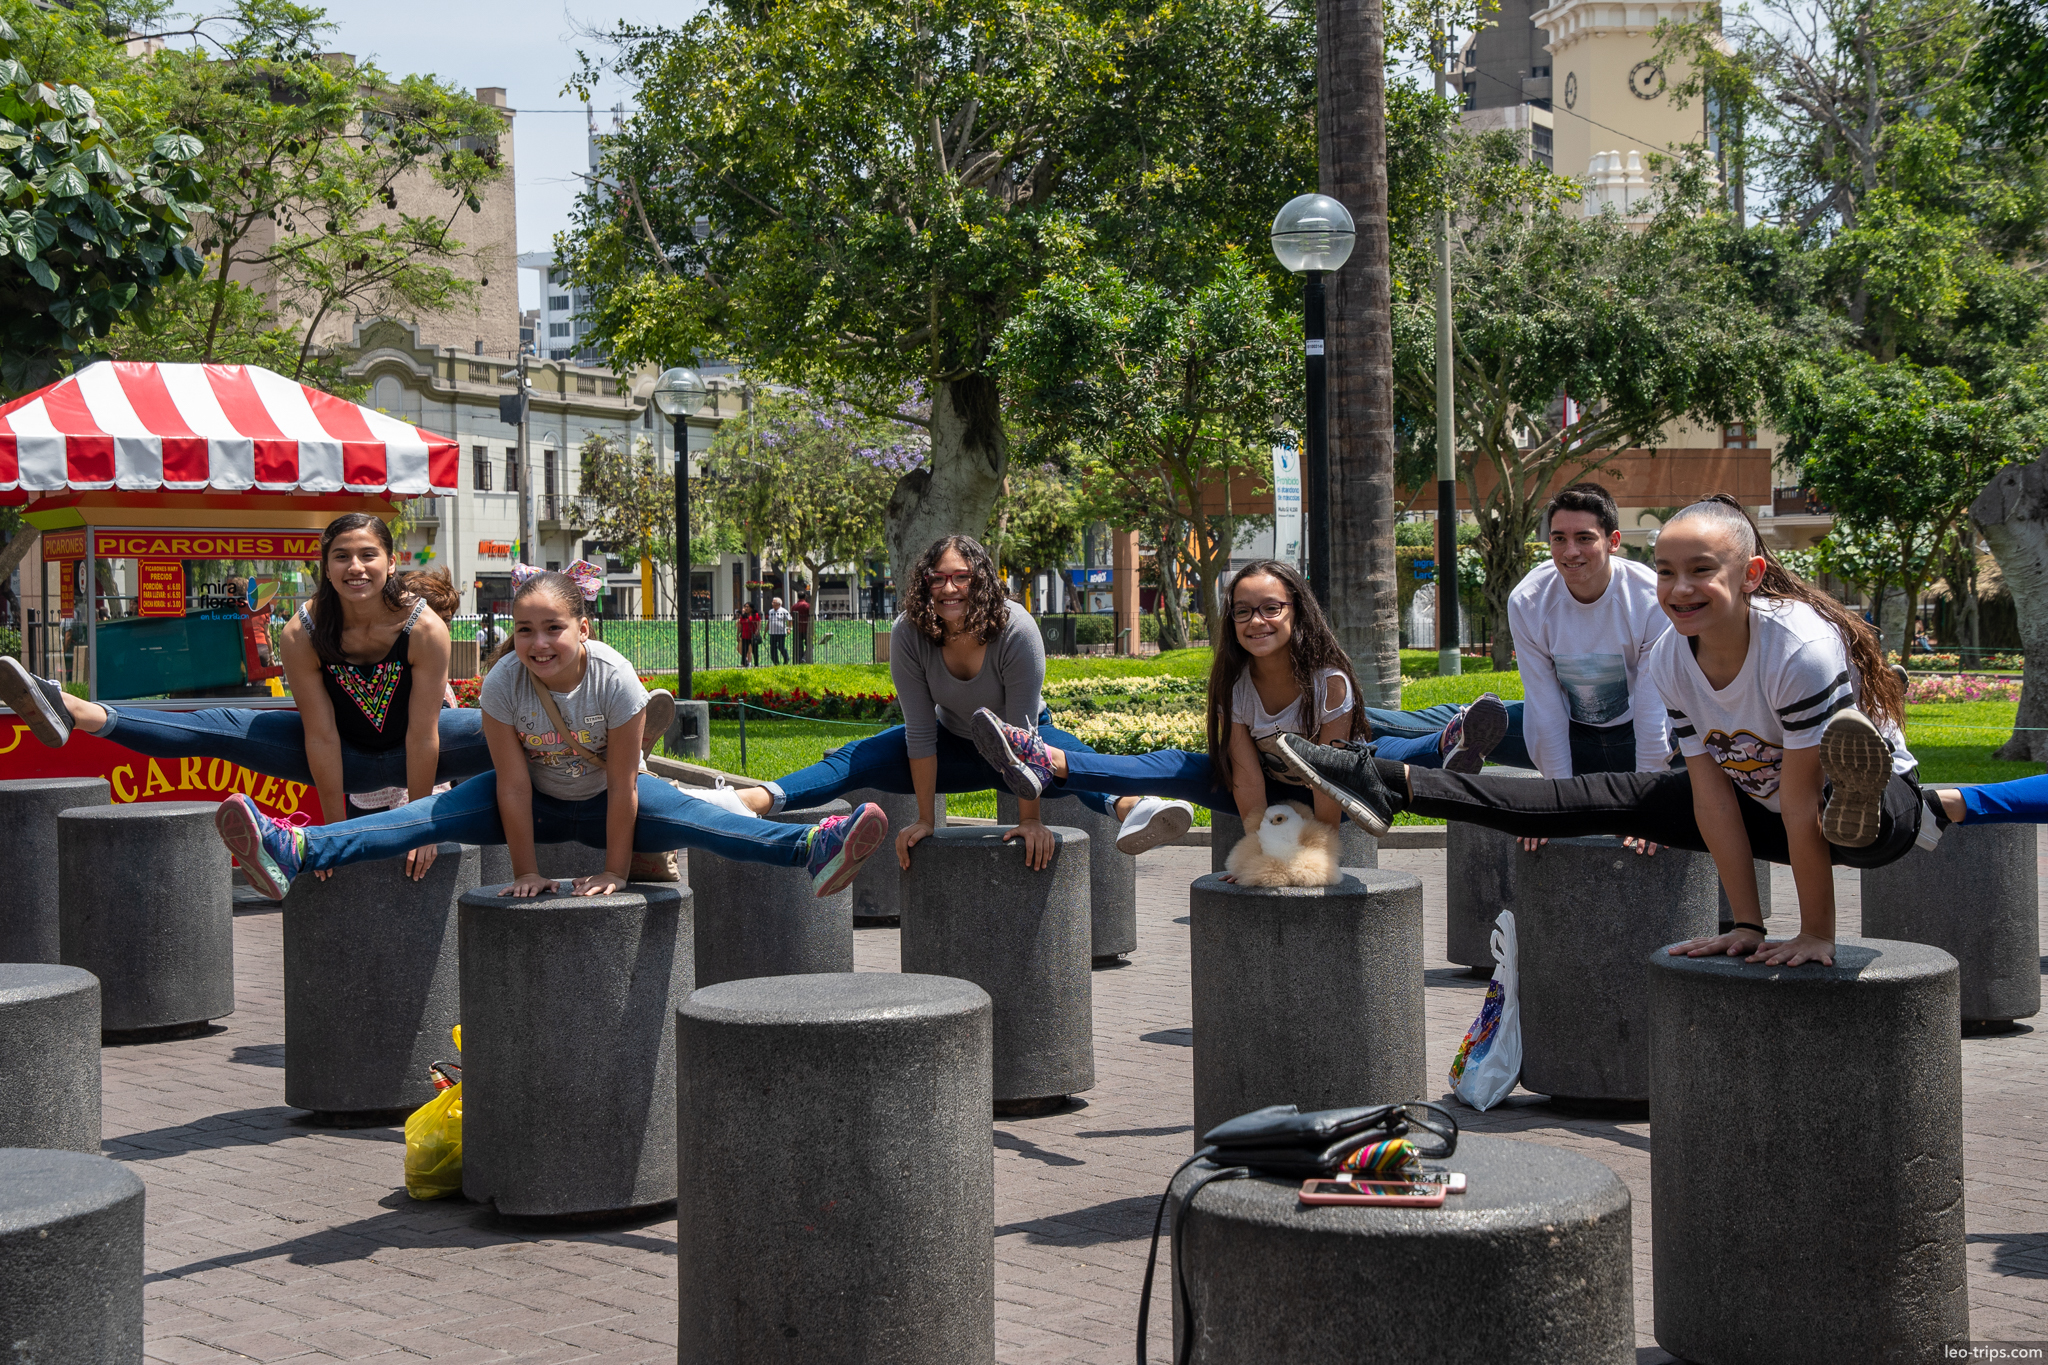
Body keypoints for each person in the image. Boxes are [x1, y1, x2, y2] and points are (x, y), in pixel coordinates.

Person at [1266, 495, 1923, 968]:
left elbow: (1799, 801)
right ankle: (1382, 778)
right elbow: (1713, 798)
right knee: (1582, 798)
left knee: (1841, 815)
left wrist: (1815, 933)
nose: (1679, 588)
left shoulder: (1799, 646)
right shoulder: (1672, 654)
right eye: (1666, 571)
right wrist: (1747, 923)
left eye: (1702, 571)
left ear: (1750, 576)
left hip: (1874, 810)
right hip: (1759, 800)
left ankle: (1857, 808)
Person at [0, 521, 673, 881]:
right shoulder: (302, 630)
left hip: (423, 745)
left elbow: (421, 736)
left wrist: (420, 822)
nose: (355, 567)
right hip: (338, 757)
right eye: (341, 556)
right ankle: (76, 708)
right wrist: (327, 837)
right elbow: (319, 737)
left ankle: (622, 737)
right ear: (324, 564)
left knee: (513, 728)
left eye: (367, 555)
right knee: (225, 725)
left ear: (389, 561)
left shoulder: (424, 626)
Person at [213, 566, 888, 902]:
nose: (538, 642)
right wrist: (528, 870)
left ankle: (812, 845)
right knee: (421, 817)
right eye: (526, 629)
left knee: (709, 820)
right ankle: (294, 847)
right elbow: (509, 781)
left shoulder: (616, 678)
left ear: (583, 629)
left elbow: (625, 784)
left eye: (553, 628)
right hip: (531, 799)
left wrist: (615, 870)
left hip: (608, 800)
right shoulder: (505, 681)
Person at [729, 534, 1200, 864]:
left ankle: (1135, 809)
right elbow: (918, 731)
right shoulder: (910, 632)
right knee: (856, 758)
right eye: (938, 578)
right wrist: (926, 820)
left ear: (982, 581)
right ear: (925, 584)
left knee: (1075, 758)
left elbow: (1022, 738)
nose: (949, 588)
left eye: (961, 577)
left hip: (1025, 743)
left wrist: (1031, 822)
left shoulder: (1017, 628)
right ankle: (751, 801)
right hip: (952, 744)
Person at [969, 559, 1510, 835]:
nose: (1258, 621)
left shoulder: (1330, 681)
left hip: (1335, 789)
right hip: (1265, 788)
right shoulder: (1236, 687)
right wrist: (1259, 844)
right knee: (1173, 765)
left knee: (1381, 764)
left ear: (1296, 611)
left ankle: (1447, 743)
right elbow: (1246, 774)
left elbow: (1330, 777)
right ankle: (1046, 758)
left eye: (1272, 608)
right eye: (1244, 610)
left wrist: (1312, 846)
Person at [766, 595, 792, 665]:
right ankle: (776, 662)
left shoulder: (783, 611)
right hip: (772, 632)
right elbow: (769, 622)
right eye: (772, 602)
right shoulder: (770, 611)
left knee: (781, 647)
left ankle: (786, 658)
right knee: (773, 648)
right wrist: (765, 632)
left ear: (779, 604)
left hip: (781, 633)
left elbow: (789, 620)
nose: (772, 604)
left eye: (774, 602)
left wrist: (789, 628)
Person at [737, 603, 760, 667]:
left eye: (748, 607)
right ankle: (744, 664)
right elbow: (740, 627)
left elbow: (759, 624)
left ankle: (756, 665)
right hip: (745, 636)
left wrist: (757, 631)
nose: (746, 608)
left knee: (755, 651)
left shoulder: (756, 615)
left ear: (752, 608)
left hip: (753, 637)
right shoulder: (743, 616)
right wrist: (737, 635)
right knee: (744, 651)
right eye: (745, 607)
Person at [793, 591, 813, 664]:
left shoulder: (794, 606)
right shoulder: (807, 606)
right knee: (810, 646)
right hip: (806, 628)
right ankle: (804, 658)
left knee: (799, 646)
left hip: (797, 628)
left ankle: (799, 661)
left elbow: (792, 617)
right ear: (805, 597)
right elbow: (811, 616)